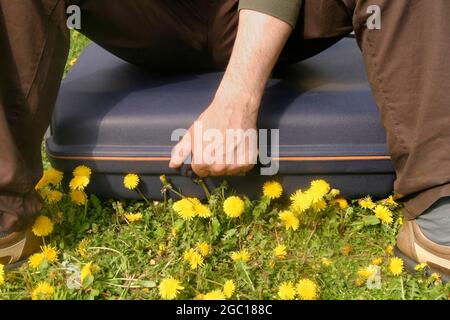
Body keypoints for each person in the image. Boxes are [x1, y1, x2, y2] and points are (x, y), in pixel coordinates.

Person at [0, 0, 449, 280]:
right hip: (149, 19)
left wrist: (237, 98)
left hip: (283, 17)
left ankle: (440, 217)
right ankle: (5, 220)